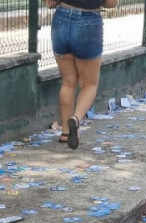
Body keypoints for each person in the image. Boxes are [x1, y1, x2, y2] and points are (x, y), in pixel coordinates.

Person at [46, 0, 119, 150]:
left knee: (67, 82)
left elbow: (50, 3)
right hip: (88, 22)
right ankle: (76, 118)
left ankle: (66, 132)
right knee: (89, 84)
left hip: (61, 20)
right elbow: (112, 3)